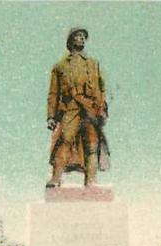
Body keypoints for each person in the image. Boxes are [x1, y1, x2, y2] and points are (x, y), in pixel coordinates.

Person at [46, 27, 109, 187]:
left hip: (90, 108)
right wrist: (51, 116)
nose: (82, 39)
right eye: (78, 36)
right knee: (64, 140)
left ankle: (91, 181)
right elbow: (53, 93)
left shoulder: (93, 63)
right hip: (70, 107)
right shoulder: (60, 66)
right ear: (71, 40)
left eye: (83, 37)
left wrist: (102, 108)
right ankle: (56, 178)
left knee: (92, 144)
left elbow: (101, 88)